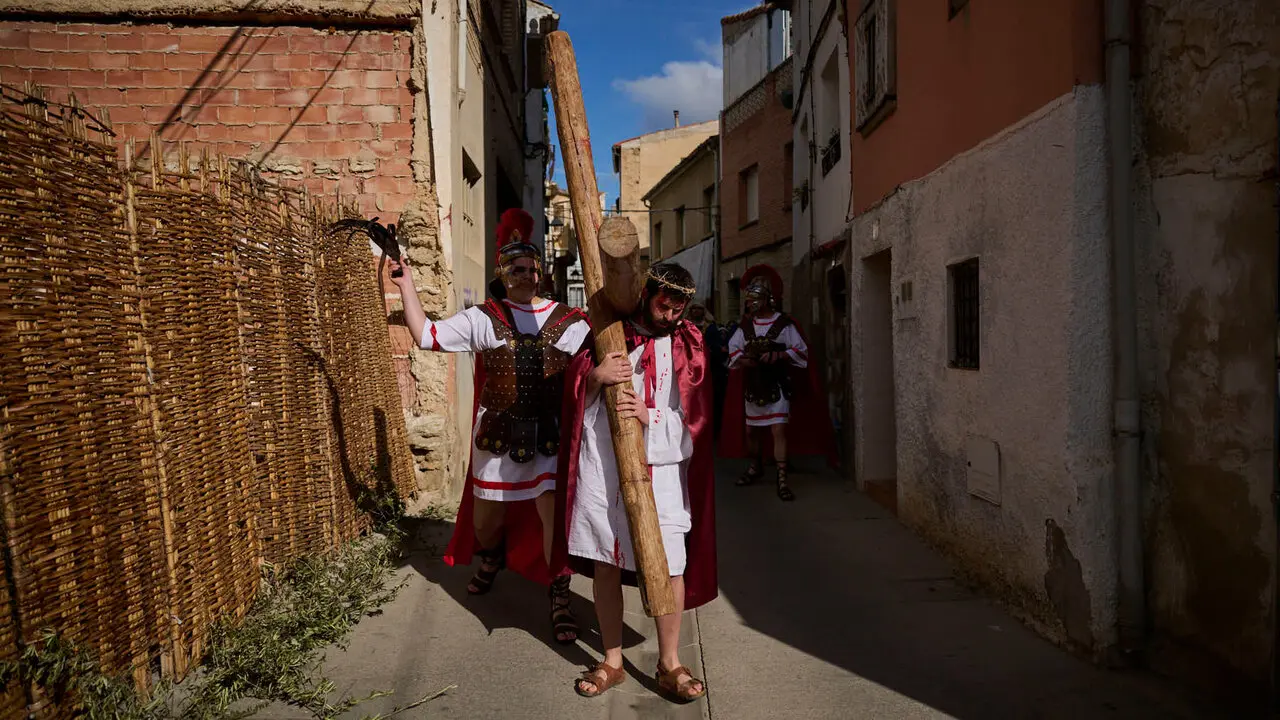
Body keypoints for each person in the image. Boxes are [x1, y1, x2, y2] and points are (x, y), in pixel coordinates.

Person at [388, 207, 588, 644]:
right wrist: (406, 284)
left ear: (541, 273)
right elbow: (427, 336)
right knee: (486, 521)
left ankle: (559, 590)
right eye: (517, 267)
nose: (526, 274)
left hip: (548, 439)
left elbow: (597, 364)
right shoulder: (484, 317)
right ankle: (492, 557)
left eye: (532, 267)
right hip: (496, 440)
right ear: (503, 271)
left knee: (553, 517)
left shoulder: (570, 322)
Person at [552, 262, 716, 702]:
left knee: (670, 566)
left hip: (662, 472)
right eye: (665, 302)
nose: (671, 313)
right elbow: (570, 391)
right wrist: (593, 378)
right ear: (648, 295)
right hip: (604, 464)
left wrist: (651, 416)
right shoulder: (609, 334)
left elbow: (696, 420)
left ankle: (669, 661)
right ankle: (612, 659)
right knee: (606, 560)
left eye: (680, 305)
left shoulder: (689, 344)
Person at [718, 264, 834, 501]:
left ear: (767, 300)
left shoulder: (783, 324)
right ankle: (755, 466)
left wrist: (779, 355)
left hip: (777, 385)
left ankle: (782, 479)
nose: (750, 303)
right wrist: (744, 360)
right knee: (751, 431)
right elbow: (733, 351)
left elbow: (800, 350)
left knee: (778, 429)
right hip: (754, 385)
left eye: (755, 299)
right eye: (749, 299)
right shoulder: (746, 326)